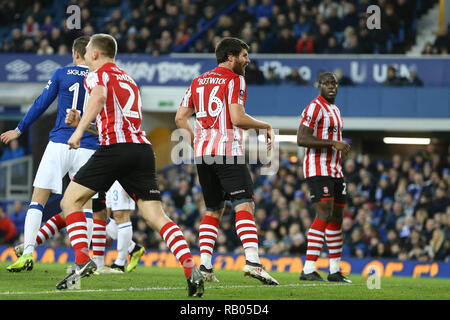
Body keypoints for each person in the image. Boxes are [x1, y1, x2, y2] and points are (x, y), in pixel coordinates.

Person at [55, 33, 204, 297]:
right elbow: (112, 124)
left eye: (87, 50)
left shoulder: (98, 74)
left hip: (115, 150)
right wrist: (83, 124)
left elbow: (99, 98)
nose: (85, 55)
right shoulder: (129, 79)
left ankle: (81, 260)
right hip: (141, 150)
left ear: (95, 54)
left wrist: (77, 132)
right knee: (157, 217)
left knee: (70, 202)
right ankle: (190, 267)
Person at [175, 37, 279, 285]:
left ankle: (206, 266)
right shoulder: (235, 79)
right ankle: (253, 262)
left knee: (213, 209)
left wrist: (196, 144)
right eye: (244, 55)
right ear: (230, 57)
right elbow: (238, 118)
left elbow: (180, 118)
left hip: (203, 154)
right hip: (227, 151)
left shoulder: (198, 81)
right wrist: (265, 125)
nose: (248, 60)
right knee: (244, 205)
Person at [3, 36, 98, 273]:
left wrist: (19, 129)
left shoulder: (61, 73)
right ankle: (83, 259)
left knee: (38, 200)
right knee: (84, 206)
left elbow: (41, 103)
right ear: (89, 54)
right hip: (88, 146)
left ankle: (27, 254)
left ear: (76, 54)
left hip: (60, 143)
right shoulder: (100, 79)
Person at [296, 72, 352, 283]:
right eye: (327, 83)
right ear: (318, 86)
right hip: (317, 169)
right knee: (324, 213)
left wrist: (338, 147)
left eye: (334, 83)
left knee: (337, 217)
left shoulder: (335, 109)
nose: (331, 87)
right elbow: (301, 138)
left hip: (335, 170)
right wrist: (333, 143)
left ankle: (334, 270)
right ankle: (308, 268)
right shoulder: (314, 107)